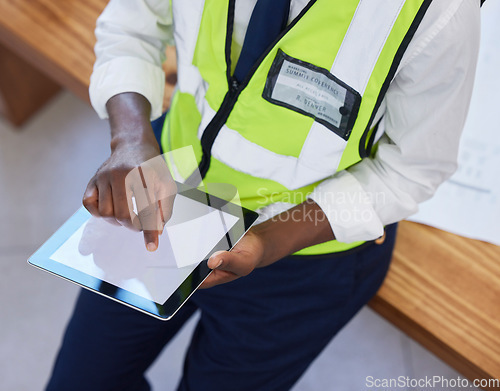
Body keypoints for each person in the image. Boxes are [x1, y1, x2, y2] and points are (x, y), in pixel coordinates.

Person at [46, 0, 481, 390]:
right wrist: (130, 137)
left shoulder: (439, 11)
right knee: (80, 379)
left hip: (302, 261)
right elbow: (132, 25)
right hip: (168, 200)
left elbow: (411, 168)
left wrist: (268, 242)